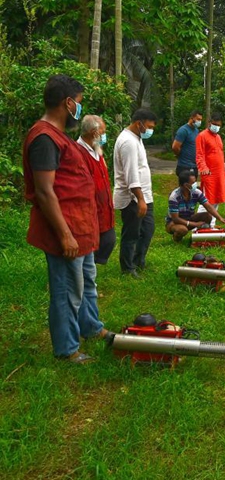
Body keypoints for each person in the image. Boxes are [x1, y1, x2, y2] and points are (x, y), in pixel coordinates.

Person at [22, 74, 108, 363]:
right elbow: (45, 192)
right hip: (66, 232)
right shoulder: (44, 138)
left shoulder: (58, 136)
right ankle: (67, 348)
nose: (79, 109)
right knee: (66, 291)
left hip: (81, 230)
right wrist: (65, 235)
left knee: (86, 283)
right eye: (79, 103)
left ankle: (91, 327)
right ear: (68, 103)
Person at [114, 108, 157, 278]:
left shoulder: (136, 138)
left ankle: (138, 261)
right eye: (149, 126)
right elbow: (130, 173)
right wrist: (140, 199)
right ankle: (127, 268)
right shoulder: (128, 142)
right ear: (139, 123)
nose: (150, 130)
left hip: (144, 195)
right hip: (133, 198)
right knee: (131, 233)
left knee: (147, 229)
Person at [77, 115, 115, 265]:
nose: (104, 136)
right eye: (103, 132)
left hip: (103, 212)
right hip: (88, 215)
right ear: (94, 133)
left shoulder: (96, 150)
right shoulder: (78, 153)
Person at [165, 170, 225, 242]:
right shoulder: (174, 197)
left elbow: (208, 206)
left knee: (207, 216)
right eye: (193, 183)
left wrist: (220, 218)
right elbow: (175, 219)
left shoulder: (196, 192)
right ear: (186, 185)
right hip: (174, 223)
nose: (195, 184)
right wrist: (195, 224)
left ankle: (201, 238)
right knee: (182, 230)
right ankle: (176, 238)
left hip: (189, 218)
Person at [195, 112, 225, 226]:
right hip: (209, 174)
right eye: (214, 124)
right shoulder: (202, 136)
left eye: (218, 125)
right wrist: (204, 169)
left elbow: (221, 156)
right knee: (207, 201)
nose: (216, 126)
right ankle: (198, 226)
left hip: (219, 175)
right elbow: (199, 155)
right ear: (209, 123)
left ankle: (211, 225)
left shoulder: (218, 137)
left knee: (217, 200)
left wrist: (224, 174)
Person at [172, 110, 202, 179]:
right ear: (192, 118)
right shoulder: (183, 130)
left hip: (194, 166)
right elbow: (175, 147)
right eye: (198, 119)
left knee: (193, 188)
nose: (199, 122)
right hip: (185, 166)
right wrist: (179, 154)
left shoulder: (196, 130)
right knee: (185, 188)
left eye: (200, 120)